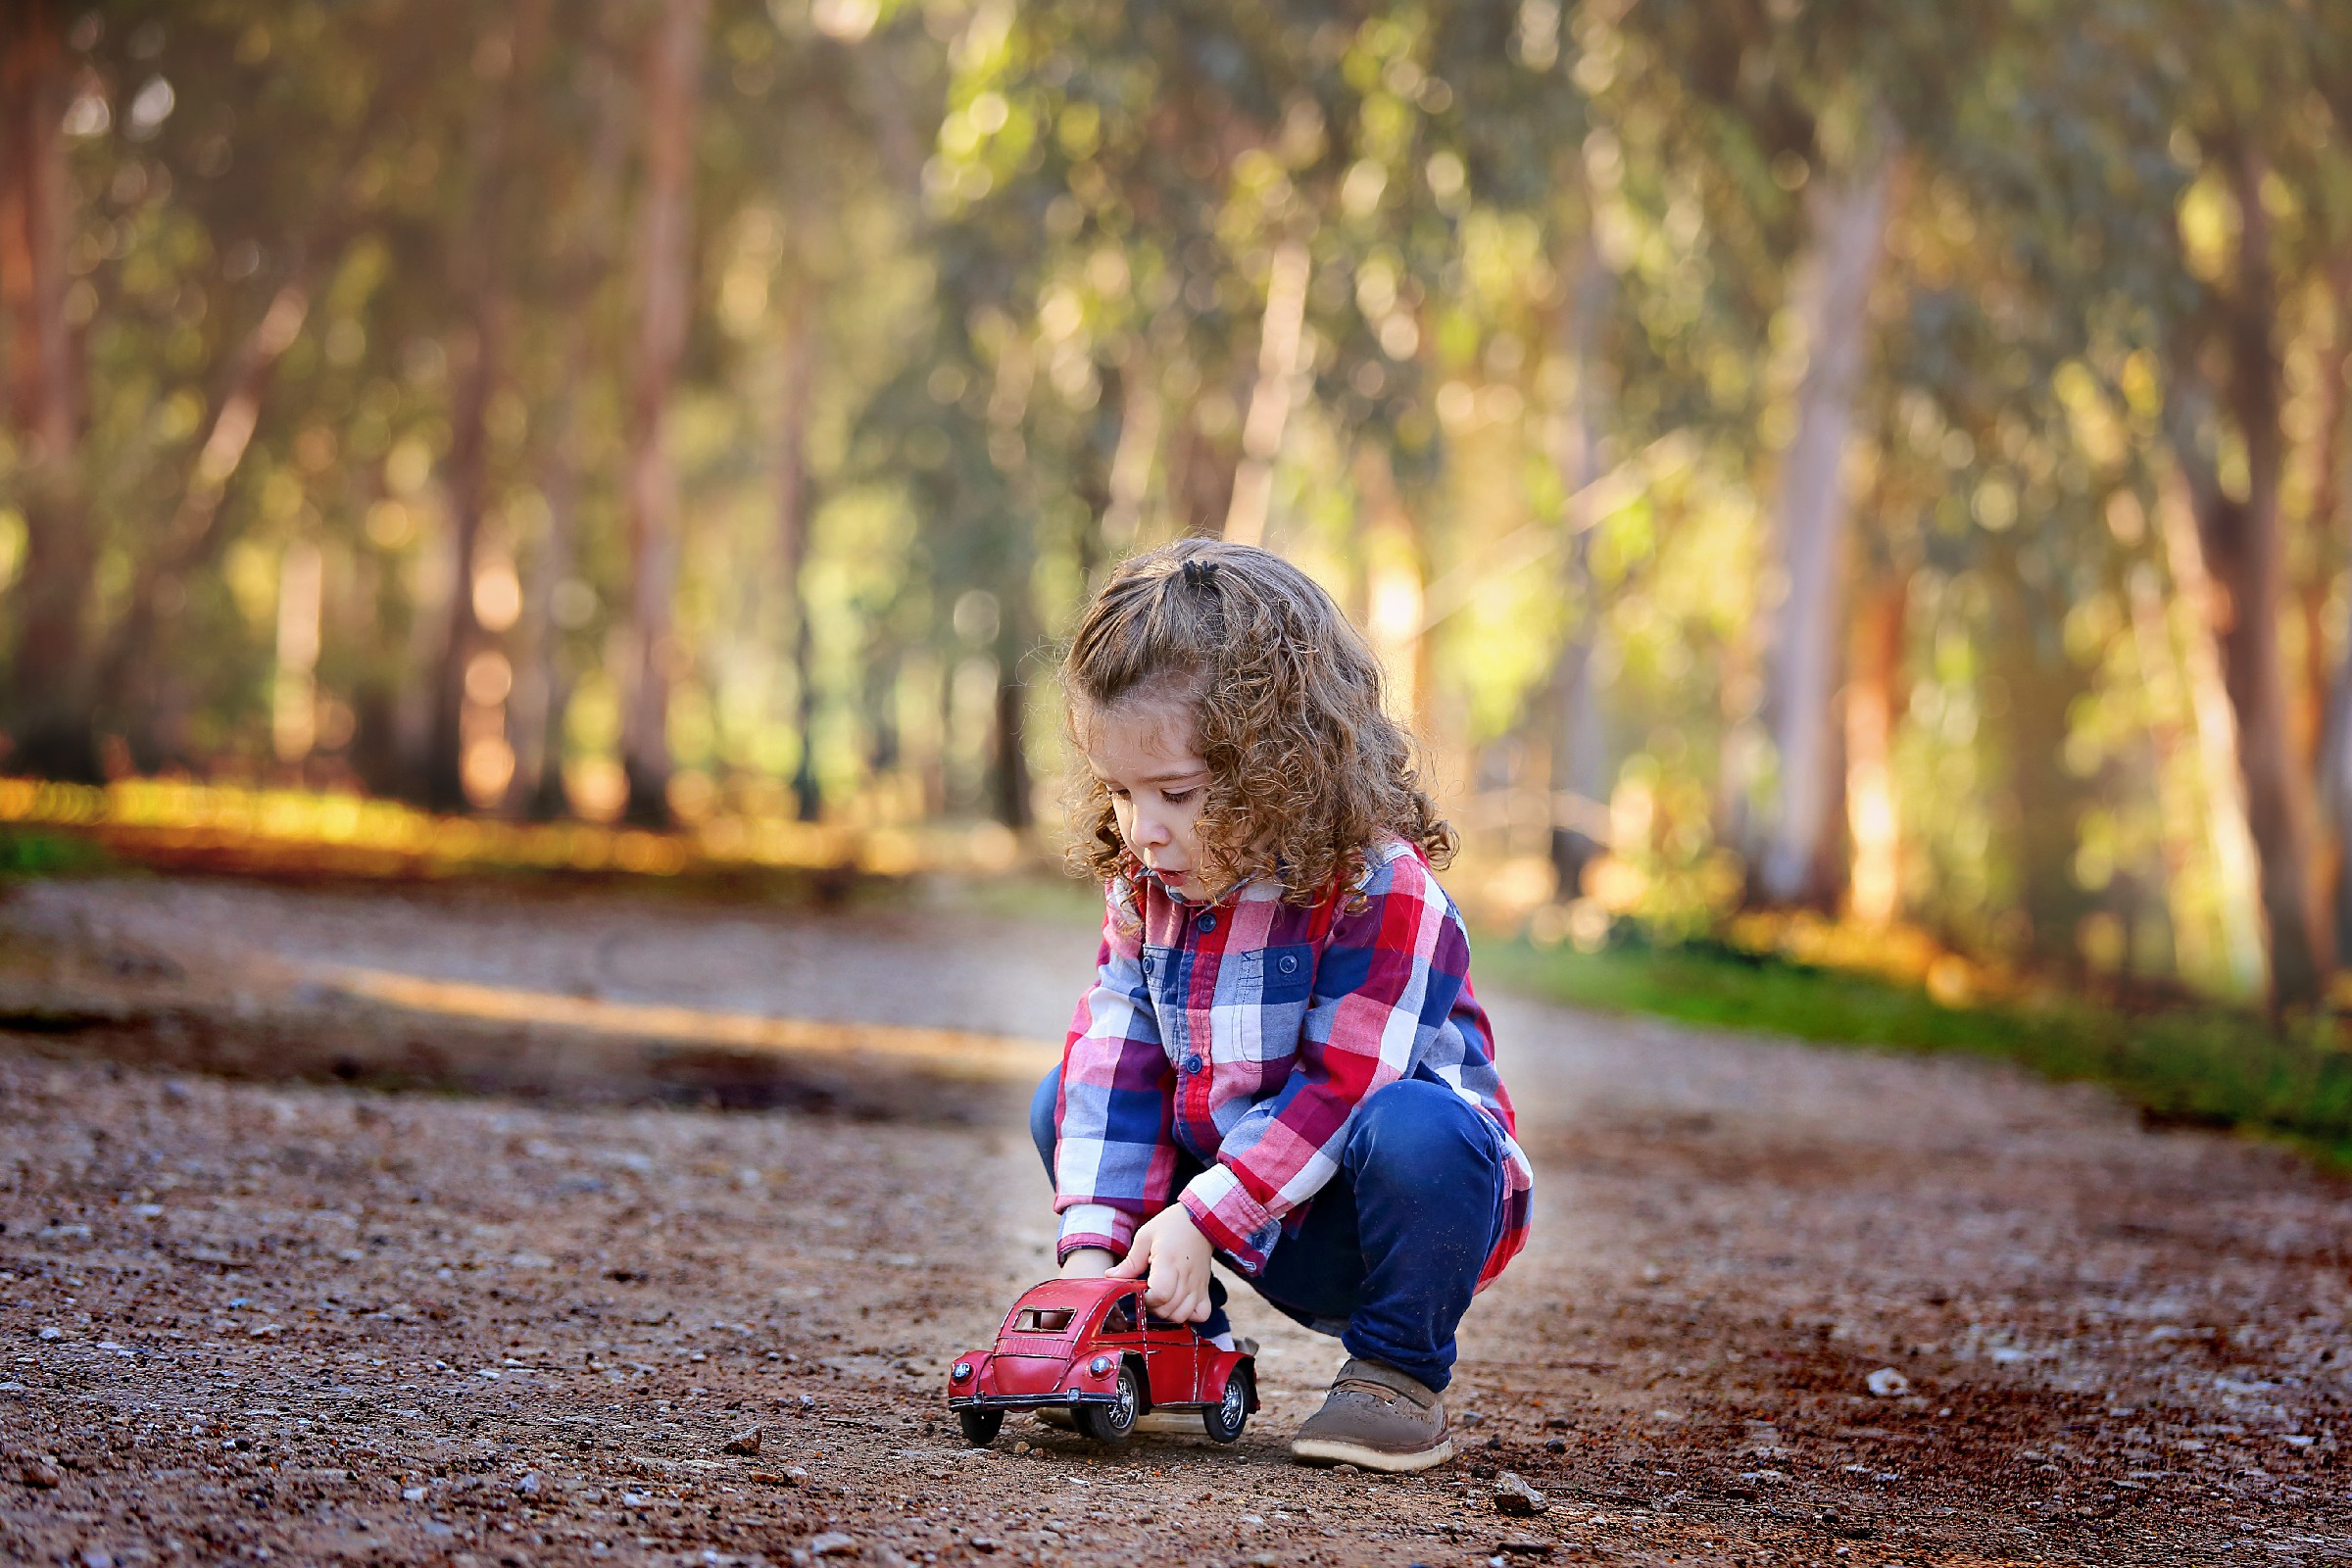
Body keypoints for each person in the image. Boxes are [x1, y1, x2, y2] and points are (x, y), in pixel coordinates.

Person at [1031, 537, 1533, 1473]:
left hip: (1387, 1218)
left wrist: (1200, 1218)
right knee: (1066, 1092)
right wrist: (1097, 1263)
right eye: (1120, 792)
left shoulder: (1383, 889)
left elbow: (1342, 1092)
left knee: (1422, 1129)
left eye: (1176, 793)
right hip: (1248, 1204)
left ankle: (1395, 1375)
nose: (1144, 830)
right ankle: (1170, 1338)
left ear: (1281, 765)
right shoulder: (1149, 884)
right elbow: (1116, 1053)